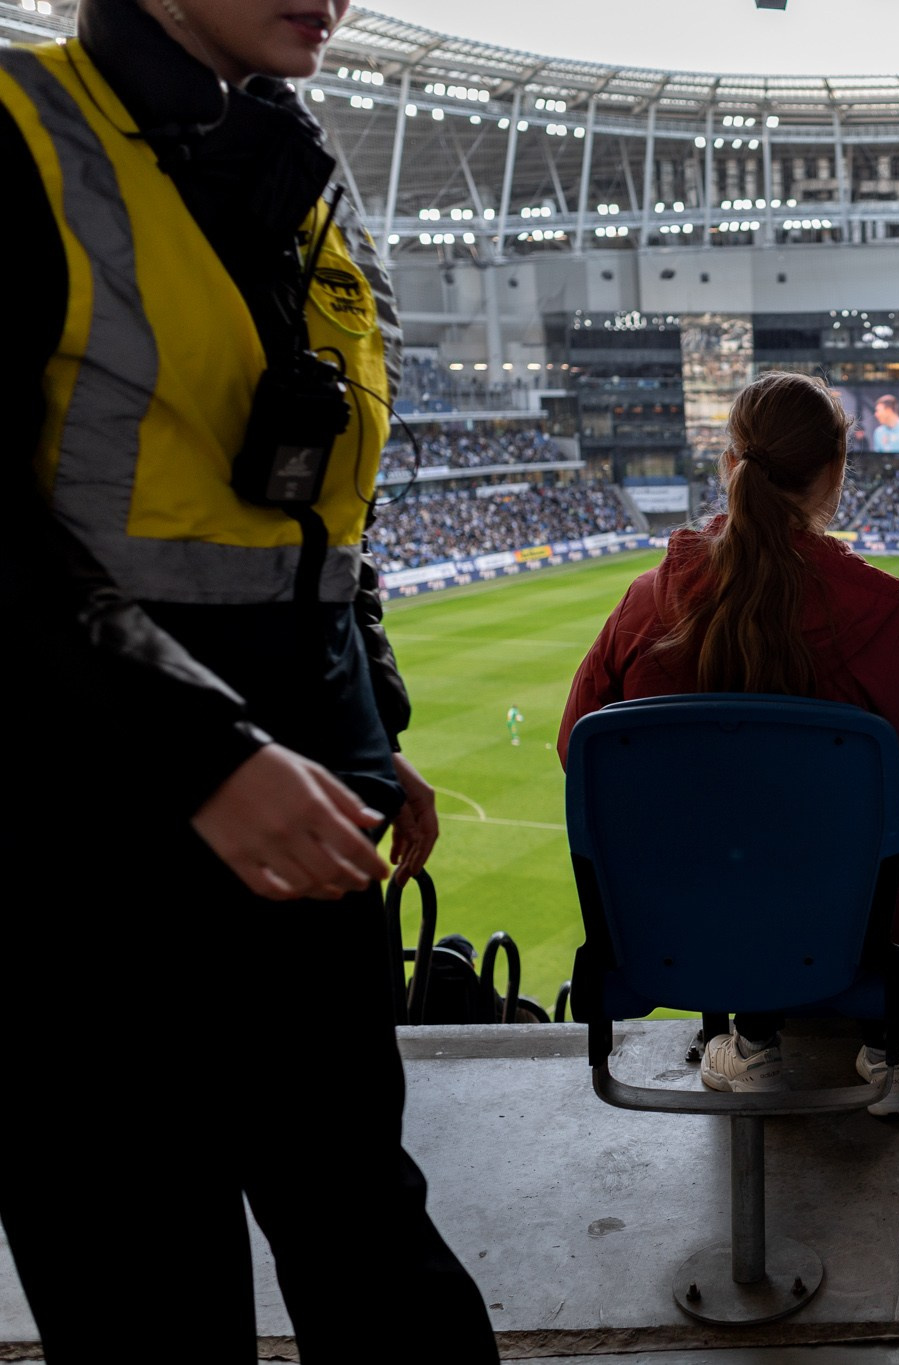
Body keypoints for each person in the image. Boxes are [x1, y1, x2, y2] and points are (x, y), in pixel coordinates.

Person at [1, 0, 494, 1359]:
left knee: (364, 1223)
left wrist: (363, 718)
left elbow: (313, 524)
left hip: (303, 812)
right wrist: (206, 750)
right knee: (143, 1268)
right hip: (78, 835)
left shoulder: (296, 170)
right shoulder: (21, 130)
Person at [561, 372, 899, 1118]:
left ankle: (751, 1045)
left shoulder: (647, 599)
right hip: (850, 907)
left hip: (677, 907)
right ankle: (889, 1041)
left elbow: (578, 749)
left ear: (730, 463)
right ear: (835, 472)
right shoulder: (874, 609)